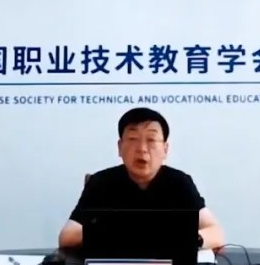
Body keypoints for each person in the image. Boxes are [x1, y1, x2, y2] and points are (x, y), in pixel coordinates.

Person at [57, 107, 225, 250]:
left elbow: (215, 232)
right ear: (119, 147)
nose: (142, 149)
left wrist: (186, 239)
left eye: (151, 140)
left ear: (165, 149)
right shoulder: (101, 182)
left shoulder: (179, 182)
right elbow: (67, 236)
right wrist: (119, 236)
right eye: (132, 139)